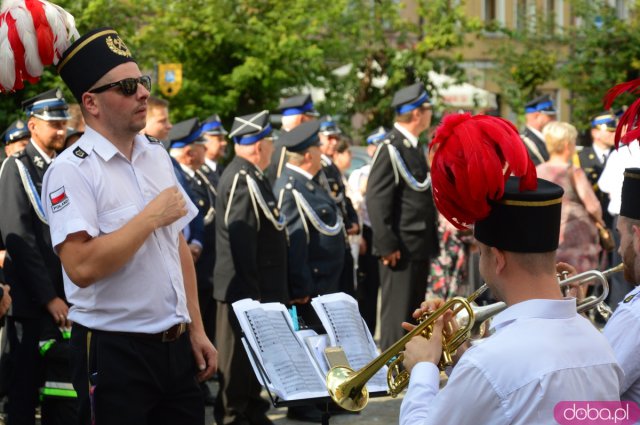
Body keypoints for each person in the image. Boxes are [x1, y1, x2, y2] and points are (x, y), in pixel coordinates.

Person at [399, 113, 623, 425]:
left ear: (498, 258)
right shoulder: (597, 342)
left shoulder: (491, 363)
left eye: (481, 252)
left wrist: (423, 369)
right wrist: (461, 356)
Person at [42, 27, 216, 425]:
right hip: (115, 351)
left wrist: (196, 329)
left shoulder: (156, 155)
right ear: (91, 102)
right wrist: (150, 217)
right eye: (125, 87)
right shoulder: (71, 170)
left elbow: (176, 249)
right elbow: (81, 268)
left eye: (142, 82)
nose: (141, 93)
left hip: (174, 347)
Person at [0, 88, 74, 425]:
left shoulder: (61, 166)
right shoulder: (17, 166)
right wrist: (49, 298)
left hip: (65, 296)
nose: (61, 130)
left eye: (63, 123)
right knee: (24, 391)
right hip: (32, 301)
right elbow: (21, 240)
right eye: (53, 124)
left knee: (60, 389)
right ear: (33, 126)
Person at [213, 110, 288, 425]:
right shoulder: (242, 177)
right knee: (235, 360)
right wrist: (250, 289)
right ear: (259, 146)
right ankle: (232, 414)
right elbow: (240, 235)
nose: (273, 148)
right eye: (270, 141)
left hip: (255, 284)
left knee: (251, 355)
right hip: (241, 286)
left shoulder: (252, 175)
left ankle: (250, 407)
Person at [273, 119, 345, 423]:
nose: (321, 151)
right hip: (310, 282)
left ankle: (328, 394)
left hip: (326, 279)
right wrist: (300, 285)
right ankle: (304, 403)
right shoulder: (290, 186)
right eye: (317, 147)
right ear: (307, 155)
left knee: (325, 341)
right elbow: (295, 241)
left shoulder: (311, 181)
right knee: (308, 341)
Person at [366, 82, 438, 351]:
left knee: (411, 312)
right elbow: (376, 198)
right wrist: (386, 244)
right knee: (397, 314)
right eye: (428, 109)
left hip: (416, 242)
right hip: (400, 246)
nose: (431, 114)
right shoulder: (391, 147)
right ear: (417, 113)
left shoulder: (411, 146)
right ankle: (391, 368)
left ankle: (407, 365)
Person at [168, 118, 218, 406]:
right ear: (188, 150)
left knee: (201, 326)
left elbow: (196, 217)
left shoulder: (198, 177)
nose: (205, 149)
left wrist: (196, 242)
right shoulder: (175, 169)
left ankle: (201, 380)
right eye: (199, 144)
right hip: (187, 264)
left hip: (197, 261)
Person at [536, 121, 603, 272]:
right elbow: (593, 206)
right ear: (567, 144)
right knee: (578, 285)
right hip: (576, 239)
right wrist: (601, 223)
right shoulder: (572, 171)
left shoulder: (537, 171)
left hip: (547, 237)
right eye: (574, 141)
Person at [603, 168, 640, 402]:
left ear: (637, 236)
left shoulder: (634, 316)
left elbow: (588, 400)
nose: (619, 248)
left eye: (621, 235)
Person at [347, 127, 386, 335]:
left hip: (384, 232)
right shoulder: (360, 173)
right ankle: (367, 333)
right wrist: (360, 236)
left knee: (385, 289)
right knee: (368, 290)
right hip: (367, 233)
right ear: (370, 149)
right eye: (376, 145)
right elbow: (357, 202)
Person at [316, 118, 358, 297]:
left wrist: (353, 221)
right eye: (329, 138)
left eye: (336, 138)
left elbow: (343, 199)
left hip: (343, 236)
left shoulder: (330, 166)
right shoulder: (319, 166)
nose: (334, 142)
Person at [264, 93, 317, 184]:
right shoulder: (286, 146)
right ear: (302, 119)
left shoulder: (282, 142)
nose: (314, 122)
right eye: (311, 118)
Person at [576, 111, 617, 227]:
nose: (615, 134)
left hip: (614, 220)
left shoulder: (620, 156)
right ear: (595, 133)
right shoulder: (579, 156)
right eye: (610, 131)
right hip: (588, 219)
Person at [521, 94, 557, 165]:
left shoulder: (546, 139)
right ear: (536, 116)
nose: (554, 120)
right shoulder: (524, 142)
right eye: (550, 116)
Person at [201, 114, 228, 187]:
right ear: (205, 141)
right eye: (219, 139)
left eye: (224, 139)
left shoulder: (223, 170)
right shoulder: (198, 171)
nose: (224, 143)